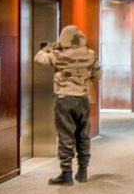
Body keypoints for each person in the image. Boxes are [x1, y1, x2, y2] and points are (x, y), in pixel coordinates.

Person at [34, 25, 100, 185]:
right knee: (83, 135)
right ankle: (82, 172)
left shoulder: (58, 55)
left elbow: (38, 58)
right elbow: (97, 75)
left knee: (65, 135)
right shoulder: (91, 55)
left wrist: (48, 48)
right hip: (83, 99)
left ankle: (67, 174)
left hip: (64, 99)